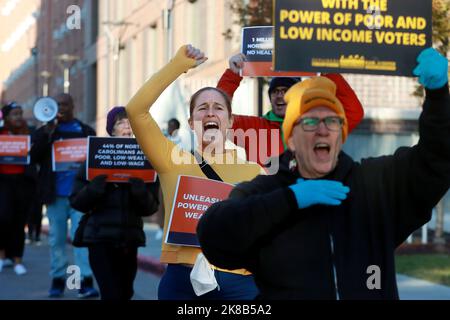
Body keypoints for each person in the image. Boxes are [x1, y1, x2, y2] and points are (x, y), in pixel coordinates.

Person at [198, 48, 450, 299]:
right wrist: (288, 200)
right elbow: (214, 236)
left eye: (332, 121)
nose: (322, 130)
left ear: (341, 134)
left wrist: (438, 95)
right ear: (291, 140)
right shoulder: (265, 190)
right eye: (309, 121)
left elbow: (434, 162)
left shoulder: (374, 185)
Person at [126, 45, 265, 300]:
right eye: (202, 108)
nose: (210, 112)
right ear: (191, 123)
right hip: (183, 281)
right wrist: (176, 66)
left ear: (231, 122)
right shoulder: (172, 161)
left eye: (218, 108)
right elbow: (136, 110)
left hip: (240, 284)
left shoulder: (256, 172)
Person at [69, 106, 160, 300]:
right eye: (121, 122)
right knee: (110, 294)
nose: (127, 126)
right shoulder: (94, 158)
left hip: (129, 240)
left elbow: (151, 207)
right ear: (112, 130)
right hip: (99, 239)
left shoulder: (145, 160)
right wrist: (94, 189)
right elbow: (76, 201)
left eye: (131, 122)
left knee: (125, 293)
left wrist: (139, 191)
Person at [216, 53, 364, 168]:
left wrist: (326, 69)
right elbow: (217, 119)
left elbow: (354, 112)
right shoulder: (254, 127)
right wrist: (233, 75)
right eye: (275, 91)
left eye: (286, 90)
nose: (280, 96)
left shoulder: (315, 126)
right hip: (266, 201)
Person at [30, 93, 99, 298]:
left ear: (73, 106)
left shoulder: (86, 131)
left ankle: (82, 283)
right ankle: (58, 280)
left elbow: (96, 160)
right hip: (56, 197)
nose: (61, 108)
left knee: (80, 242)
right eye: (57, 104)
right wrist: (47, 134)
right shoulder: (45, 132)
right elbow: (32, 157)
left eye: (65, 104)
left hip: (80, 196)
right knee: (56, 241)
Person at [0, 102, 37, 275]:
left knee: (19, 221)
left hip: (23, 182)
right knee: (3, 219)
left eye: (20, 113)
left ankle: (17, 260)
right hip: (3, 182)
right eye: (15, 114)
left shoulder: (29, 133)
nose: (18, 117)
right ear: (6, 117)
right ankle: (2, 257)